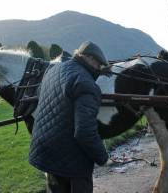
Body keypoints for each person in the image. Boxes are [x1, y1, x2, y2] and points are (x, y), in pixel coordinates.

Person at [29, 41, 109, 193]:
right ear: (89, 59)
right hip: (73, 162)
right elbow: (84, 132)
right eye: (98, 65)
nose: (98, 69)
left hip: (46, 151)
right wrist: (103, 157)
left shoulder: (53, 70)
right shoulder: (85, 82)